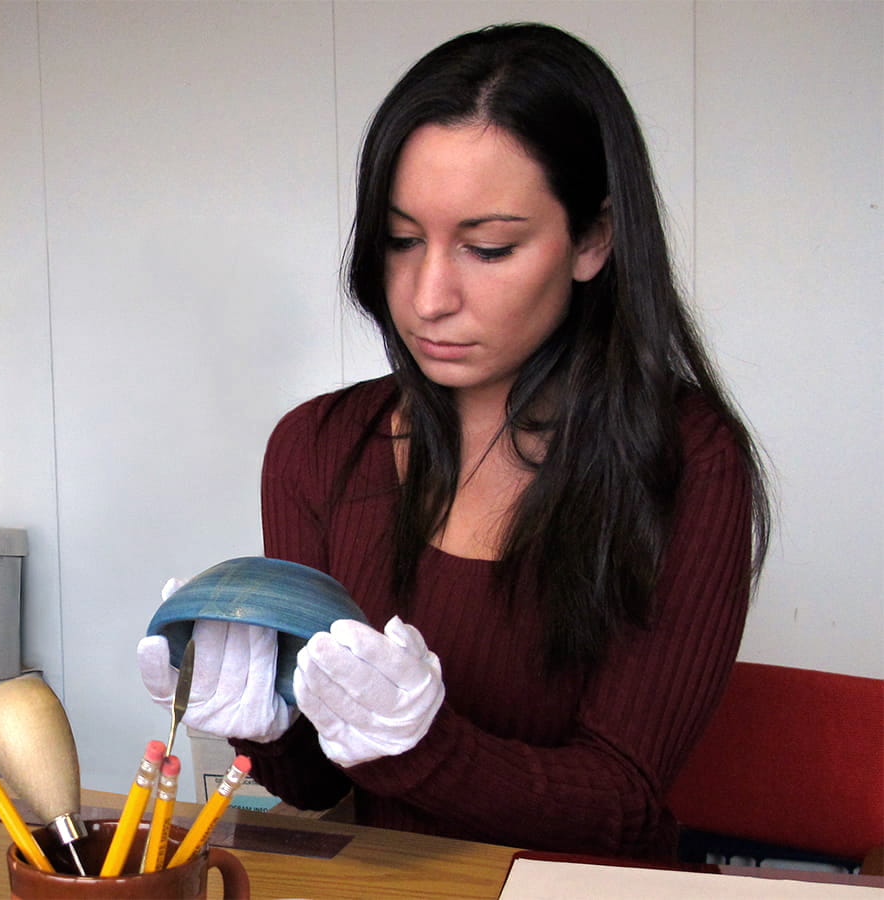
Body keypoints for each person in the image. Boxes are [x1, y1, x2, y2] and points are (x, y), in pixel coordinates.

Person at [139, 22, 770, 859]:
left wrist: (426, 747)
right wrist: (262, 721)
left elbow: (621, 801)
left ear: (593, 240)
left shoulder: (687, 458)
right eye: (403, 240)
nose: (429, 297)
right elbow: (325, 786)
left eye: (489, 247)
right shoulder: (317, 449)